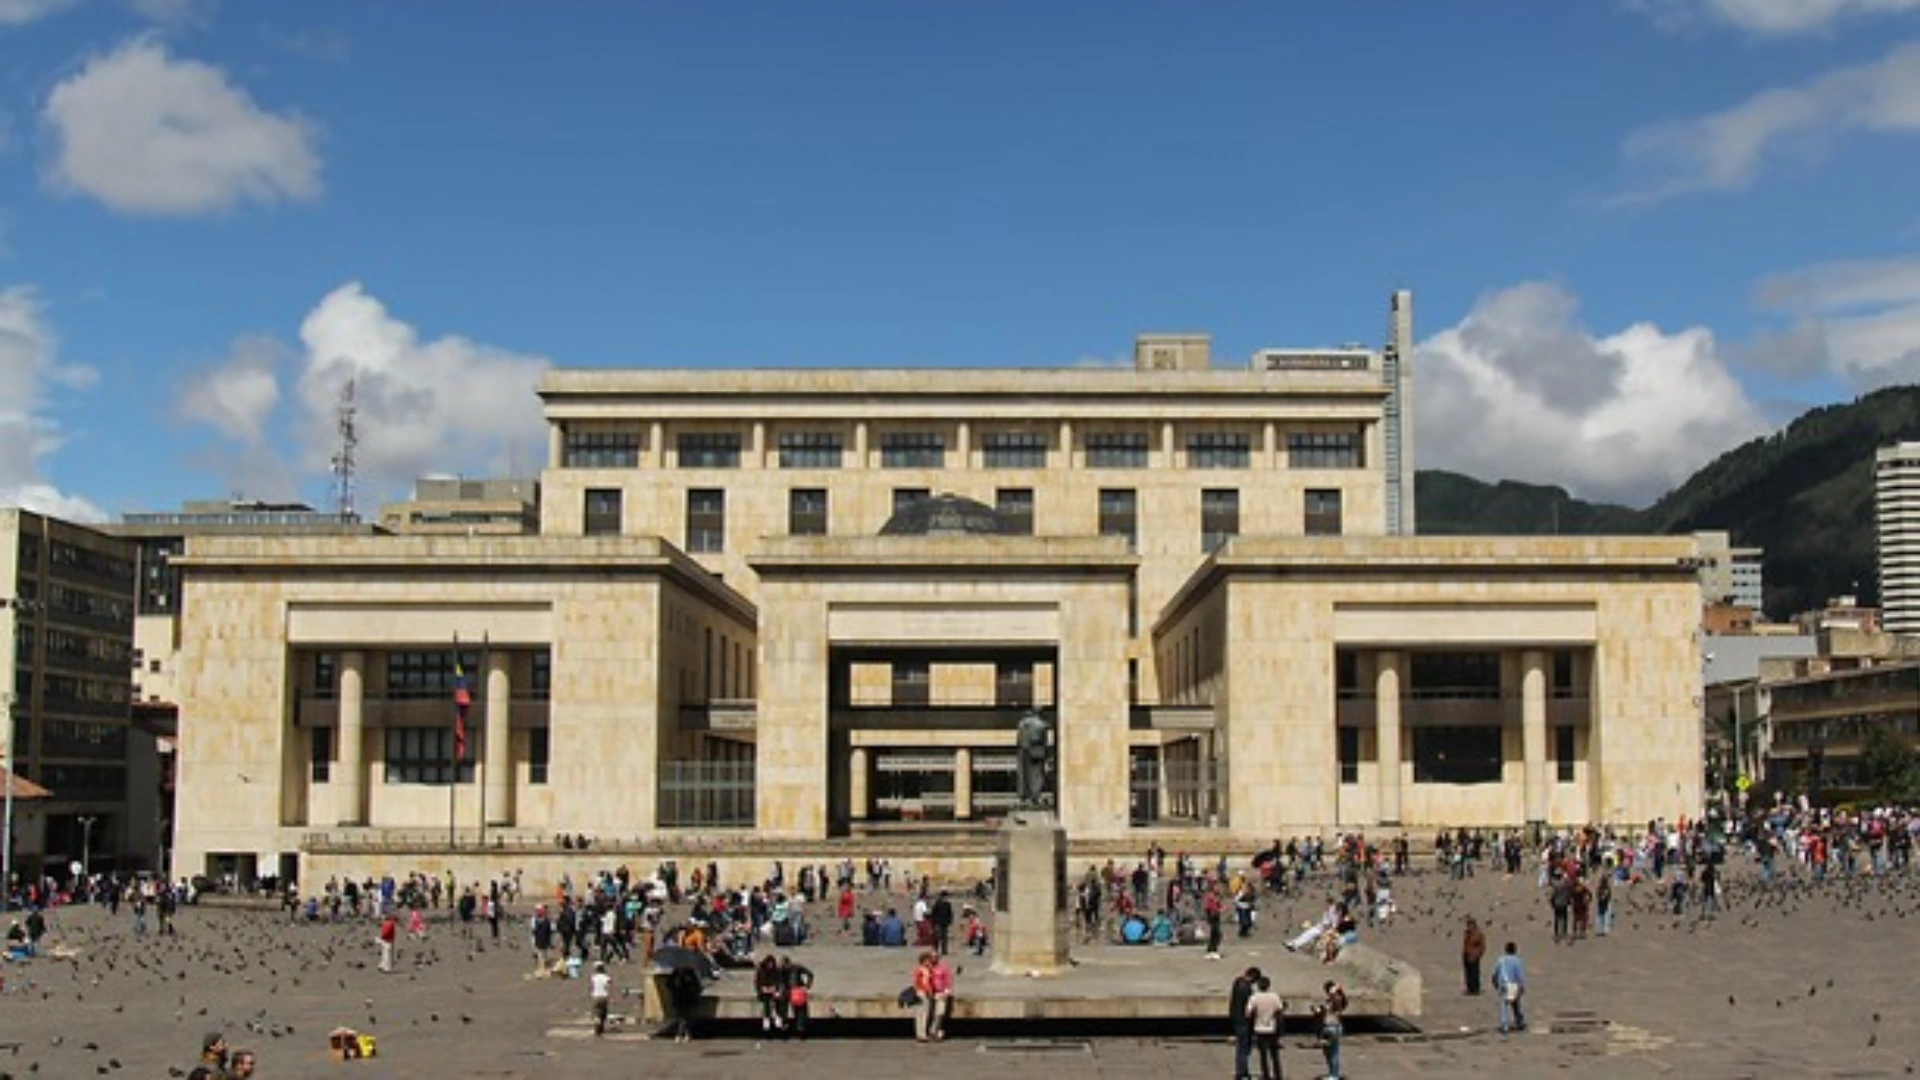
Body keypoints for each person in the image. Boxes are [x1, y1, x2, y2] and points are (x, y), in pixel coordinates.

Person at [1245, 974, 1285, 1080]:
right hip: (1272, 1028)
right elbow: (1280, 1010)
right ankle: (1278, 1075)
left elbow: (1248, 1013)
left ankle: (1266, 1075)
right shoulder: (1274, 996)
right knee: (1275, 1055)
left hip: (1259, 1028)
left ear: (1258, 986)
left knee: (1263, 1055)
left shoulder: (1254, 997)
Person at [1228, 966, 1261, 1080]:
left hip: (1236, 1019)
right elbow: (1248, 1008)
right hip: (1244, 1022)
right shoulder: (1247, 989)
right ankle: (1242, 1073)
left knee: (1241, 1047)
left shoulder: (1237, 982)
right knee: (1243, 1048)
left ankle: (1243, 1071)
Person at [1491, 941, 1526, 1035]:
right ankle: (1519, 1021)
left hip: (1503, 984)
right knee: (1515, 1004)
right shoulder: (1517, 961)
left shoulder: (1500, 960)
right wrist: (1522, 986)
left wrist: (1494, 983)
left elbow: (1495, 973)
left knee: (1504, 1005)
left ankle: (1504, 1024)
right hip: (1513, 985)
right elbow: (1519, 975)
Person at [1317, 979, 1348, 1079]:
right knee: (1328, 1053)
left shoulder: (1337, 999)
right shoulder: (1330, 1001)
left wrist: (1336, 989)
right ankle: (1332, 1073)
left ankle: (1334, 1075)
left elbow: (1337, 1000)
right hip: (1328, 1027)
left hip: (1333, 1026)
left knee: (1333, 1052)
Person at [912, 952, 938, 1043]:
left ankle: (920, 1033)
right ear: (924, 961)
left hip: (920, 992)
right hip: (924, 993)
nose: (930, 962)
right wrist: (929, 992)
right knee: (924, 1014)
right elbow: (924, 983)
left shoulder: (921, 970)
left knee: (920, 1014)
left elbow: (916, 982)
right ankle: (922, 1034)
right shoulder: (924, 970)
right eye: (928, 960)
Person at [929, 951, 954, 1041]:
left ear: (938, 958)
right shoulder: (928, 968)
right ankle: (936, 1031)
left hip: (940, 993)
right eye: (932, 957)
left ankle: (933, 1030)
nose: (933, 959)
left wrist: (946, 993)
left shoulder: (943, 968)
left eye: (935, 957)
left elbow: (948, 981)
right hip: (930, 993)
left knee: (940, 1013)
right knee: (932, 1013)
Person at [1462, 916, 1487, 995]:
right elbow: (1465, 943)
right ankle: (1469, 988)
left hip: (1474, 955)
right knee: (1468, 972)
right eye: (1468, 924)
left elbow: (1482, 945)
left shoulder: (1479, 933)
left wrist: (1478, 954)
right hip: (1466, 954)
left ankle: (1475, 989)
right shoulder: (1467, 933)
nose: (1469, 926)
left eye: (1470, 924)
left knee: (1474, 973)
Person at [589, 960, 612, 1036]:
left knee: (596, 1013)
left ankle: (597, 1027)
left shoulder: (593, 977)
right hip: (604, 996)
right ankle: (601, 1027)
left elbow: (592, 986)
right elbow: (609, 986)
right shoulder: (606, 977)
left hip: (596, 996)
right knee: (603, 1013)